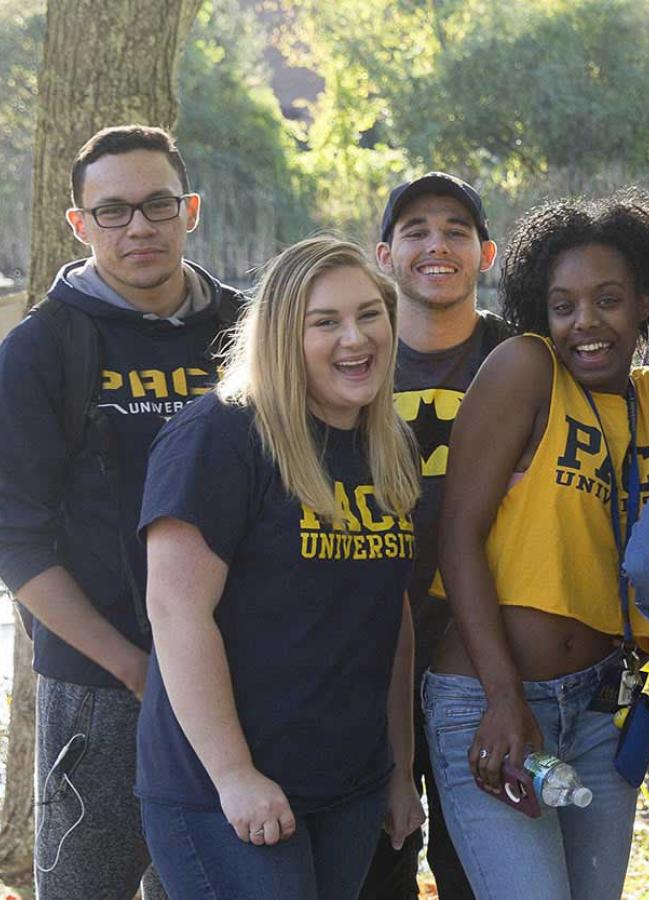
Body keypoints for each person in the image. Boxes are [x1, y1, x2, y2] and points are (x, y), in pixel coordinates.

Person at [424, 191, 649, 900]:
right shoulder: (527, 370)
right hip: (493, 699)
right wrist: (505, 698)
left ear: (644, 301)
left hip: (602, 712)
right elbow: (456, 538)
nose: (586, 322)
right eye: (563, 305)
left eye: (607, 299)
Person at [137, 236, 425, 898]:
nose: (355, 338)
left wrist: (398, 767)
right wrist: (235, 774)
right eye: (324, 322)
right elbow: (177, 613)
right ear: (280, 335)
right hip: (224, 789)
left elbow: (389, 614)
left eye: (369, 314)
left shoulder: (387, 446)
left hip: (347, 786)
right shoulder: (220, 435)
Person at [0, 125, 241, 900]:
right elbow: (17, 543)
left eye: (157, 204)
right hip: (100, 689)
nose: (139, 226)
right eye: (113, 211)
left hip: (241, 675)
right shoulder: (41, 350)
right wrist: (133, 667)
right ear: (79, 224)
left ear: (190, 209)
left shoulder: (251, 333)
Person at [361, 171, 511, 900]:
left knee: (479, 868)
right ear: (383, 255)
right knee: (373, 865)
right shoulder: (348, 358)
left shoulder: (526, 359)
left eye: (456, 229)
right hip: (363, 659)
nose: (437, 244)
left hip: (484, 661)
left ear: (487, 254)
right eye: (415, 230)